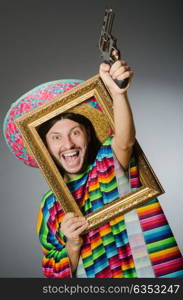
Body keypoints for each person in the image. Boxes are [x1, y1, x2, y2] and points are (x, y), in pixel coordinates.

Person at [37, 53, 183, 278]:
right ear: (45, 147)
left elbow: (124, 142)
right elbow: (52, 269)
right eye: (56, 137)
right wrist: (72, 244)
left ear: (88, 135)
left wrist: (118, 94)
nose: (68, 144)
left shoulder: (103, 165)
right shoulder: (49, 205)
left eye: (75, 132)